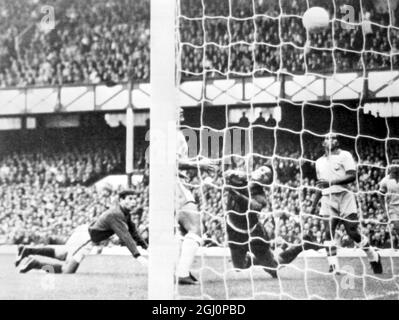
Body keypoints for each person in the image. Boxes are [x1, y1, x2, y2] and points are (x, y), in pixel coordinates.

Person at [15, 189, 148, 273]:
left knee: (62, 254)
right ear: (121, 200)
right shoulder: (116, 214)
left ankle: (28, 250)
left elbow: (133, 232)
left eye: (135, 199)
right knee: (68, 270)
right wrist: (138, 256)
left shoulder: (124, 213)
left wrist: (145, 246)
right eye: (130, 199)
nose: (134, 202)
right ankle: (35, 263)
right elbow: (126, 236)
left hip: (85, 234)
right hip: (87, 238)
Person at [310, 133, 382, 274]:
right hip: (327, 198)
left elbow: (352, 175)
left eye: (333, 138)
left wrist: (331, 182)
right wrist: (313, 204)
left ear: (337, 141)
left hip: (345, 197)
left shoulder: (345, 155)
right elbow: (321, 185)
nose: (330, 140)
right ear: (323, 142)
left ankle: (373, 256)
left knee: (352, 232)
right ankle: (334, 267)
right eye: (326, 138)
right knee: (327, 233)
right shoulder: (319, 161)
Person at [176, 107, 216, 285]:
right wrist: (199, 164)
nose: (181, 109)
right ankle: (182, 273)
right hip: (174, 183)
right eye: (176, 108)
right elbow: (173, 162)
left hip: (168, 184)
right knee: (195, 227)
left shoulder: (168, 133)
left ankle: (176, 269)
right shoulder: (174, 135)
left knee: (178, 230)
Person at [378, 159, 399, 244]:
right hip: (392, 208)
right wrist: (384, 209)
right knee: (397, 227)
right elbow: (380, 195)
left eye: (397, 163)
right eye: (393, 163)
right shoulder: (385, 180)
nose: (395, 165)